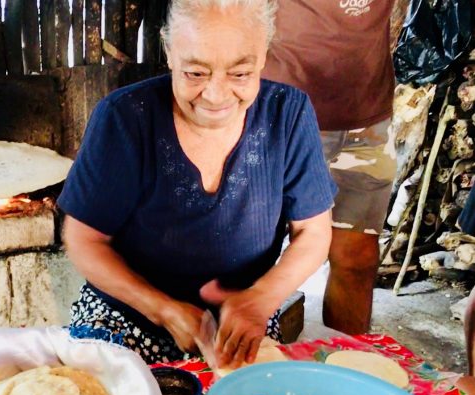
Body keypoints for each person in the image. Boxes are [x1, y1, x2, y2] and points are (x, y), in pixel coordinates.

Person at [57, 0, 337, 367]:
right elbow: (83, 239)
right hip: (127, 315)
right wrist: (161, 309)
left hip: (241, 323)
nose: (216, 96)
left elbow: (313, 233)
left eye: (240, 74)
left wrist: (261, 299)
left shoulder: (288, 114)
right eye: (195, 73)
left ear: (263, 56)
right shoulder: (124, 119)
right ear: (170, 53)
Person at [262, 0, 398, 334]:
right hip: (278, 115)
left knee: (357, 260)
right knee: (251, 257)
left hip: (365, 120)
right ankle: (230, 374)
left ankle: (343, 367)